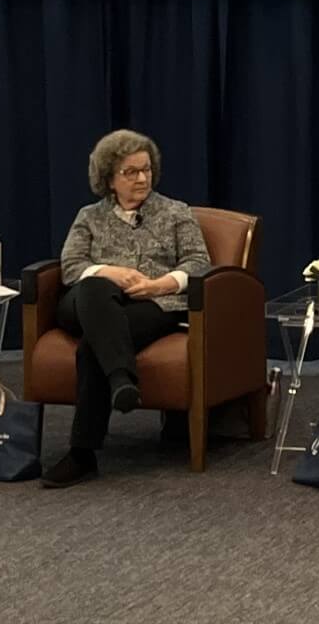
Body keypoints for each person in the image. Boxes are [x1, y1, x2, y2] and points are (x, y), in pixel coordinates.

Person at [41, 129, 213, 488]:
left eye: (146, 169)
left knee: (93, 347)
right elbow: (71, 266)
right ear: (109, 179)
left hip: (152, 304)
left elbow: (199, 262)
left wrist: (159, 284)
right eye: (131, 172)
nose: (142, 179)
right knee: (95, 286)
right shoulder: (89, 216)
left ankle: (82, 454)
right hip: (85, 305)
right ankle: (121, 378)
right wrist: (110, 272)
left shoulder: (175, 212)